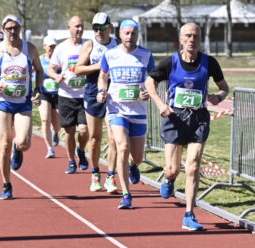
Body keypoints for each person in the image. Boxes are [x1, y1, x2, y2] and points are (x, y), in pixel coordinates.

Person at [146, 22, 230, 230]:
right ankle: (169, 179)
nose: (192, 40)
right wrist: (160, 104)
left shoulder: (209, 62)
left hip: (198, 118)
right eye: (189, 36)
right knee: (173, 169)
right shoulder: (170, 62)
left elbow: (224, 87)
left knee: (193, 165)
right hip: (174, 117)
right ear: (181, 39)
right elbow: (150, 82)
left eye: (196, 36)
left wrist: (219, 97)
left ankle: (189, 214)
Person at [0, 15, 43, 200]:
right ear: (3, 29)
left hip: (23, 102)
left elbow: (39, 70)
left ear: (20, 28)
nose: (13, 32)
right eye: (9, 29)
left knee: (24, 142)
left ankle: (18, 148)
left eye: (16, 28)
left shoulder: (29, 49)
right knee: (4, 143)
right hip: (3, 103)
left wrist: (38, 89)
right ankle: (6, 184)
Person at [96, 19, 155, 209]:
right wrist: (101, 90)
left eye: (133, 33)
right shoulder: (110, 54)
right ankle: (127, 195)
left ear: (138, 34)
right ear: (120, 34)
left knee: (136, 157)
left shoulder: (146, 55)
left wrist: (148, 92)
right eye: (126, 33)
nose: (130, 37)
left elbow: (153, 79)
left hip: (138, 111)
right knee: (121, 147)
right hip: (116, 109)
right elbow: (103, 76)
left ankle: (133, 165)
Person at [75, 12, 120, 193]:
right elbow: (78, 69)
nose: (99, 32)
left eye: (102, 28)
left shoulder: (118, 44)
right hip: (93, 93)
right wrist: (101, 66)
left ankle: (111, 177)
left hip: (114, 95)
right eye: (95, 28)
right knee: (94, 139)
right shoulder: (90, 45)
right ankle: (95, 174)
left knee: (113, 139)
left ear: (110, 27)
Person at [47, 16, 89, 174]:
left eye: (82, 26)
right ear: (69, 28)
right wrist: (56, 76)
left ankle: (82, 151)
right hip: (66, 95)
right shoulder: (61, 48)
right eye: (76, 26)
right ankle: (71, 161)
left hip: (84, 95)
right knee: (70, 132)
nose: (79, 29)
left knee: (84, 130)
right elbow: (50, 68)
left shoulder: (87, 45)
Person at [38, 35, 61, 158]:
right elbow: (34, 75)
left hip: (58, 94)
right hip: (44, 93)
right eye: (50, 46)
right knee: (45, 120)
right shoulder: (40, 60)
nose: (52, 49)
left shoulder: (60, 60)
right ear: (44, 47)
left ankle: (55, 132)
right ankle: (49, 148)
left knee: (58, 124)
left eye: (54, 46)